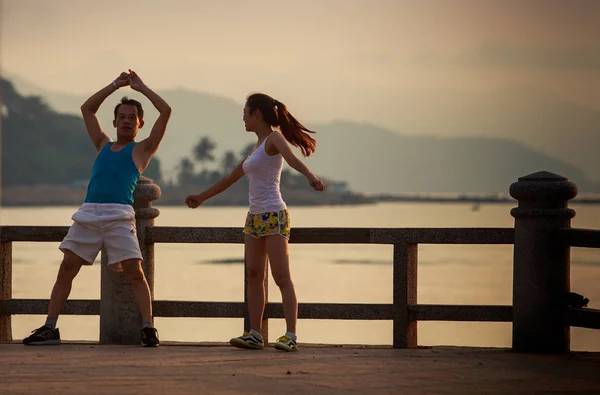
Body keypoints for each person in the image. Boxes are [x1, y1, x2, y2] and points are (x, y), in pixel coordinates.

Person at [23, 70, 172, 347]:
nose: (127, 121)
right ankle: (50, 328)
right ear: (114, 122)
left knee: (134, 271)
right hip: (89, 214)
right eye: (122, 117)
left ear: (140, 123)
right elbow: (87, 109)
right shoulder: (103, 144)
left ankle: (149, 328)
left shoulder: (142, 150)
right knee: (66, 268)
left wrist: (141, 88)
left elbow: (166, 111)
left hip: (119, 217)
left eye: (132, 118)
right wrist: (115, 85)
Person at [185, 93, 325, 352]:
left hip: (274, 214)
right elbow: (230, 177)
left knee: (281, 276)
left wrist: (310, 176)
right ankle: (255, 334)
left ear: (256, 114)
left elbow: (293, 159)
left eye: (245, 114)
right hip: (253, 218)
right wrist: (201, 197)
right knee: (253, 276)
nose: (243, 120)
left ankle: (291, 334)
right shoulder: (255, 149)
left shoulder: (274, 139)